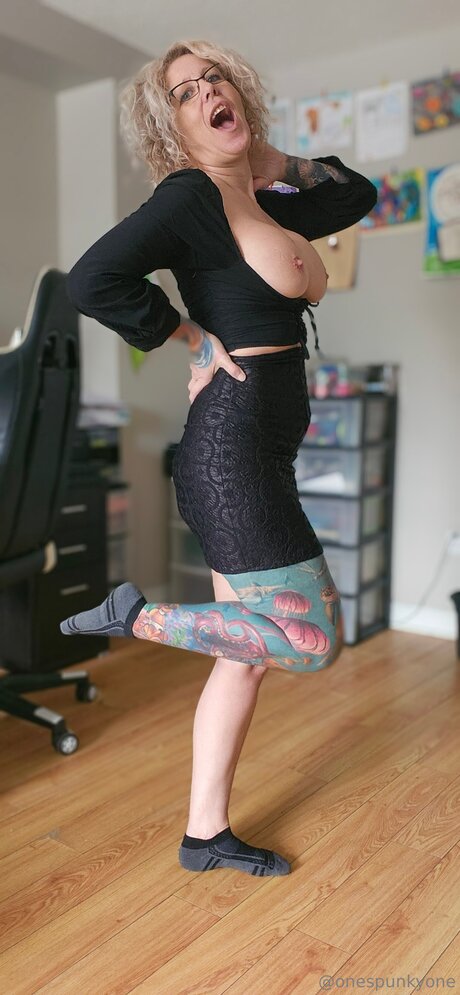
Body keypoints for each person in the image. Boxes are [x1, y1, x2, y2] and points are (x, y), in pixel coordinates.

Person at [60, 39, 378, 876]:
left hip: (261, 449)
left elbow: (357, 194)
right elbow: (92, 280)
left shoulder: (260, 198)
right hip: (230, 452)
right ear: (172, 127)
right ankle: (136, 616)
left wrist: (274, 161)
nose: (208, 93)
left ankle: (204, 835)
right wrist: (188, 335)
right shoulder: (192, 196)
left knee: (245, 654)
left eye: (216, 79)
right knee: (310, 641)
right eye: (185, 93)